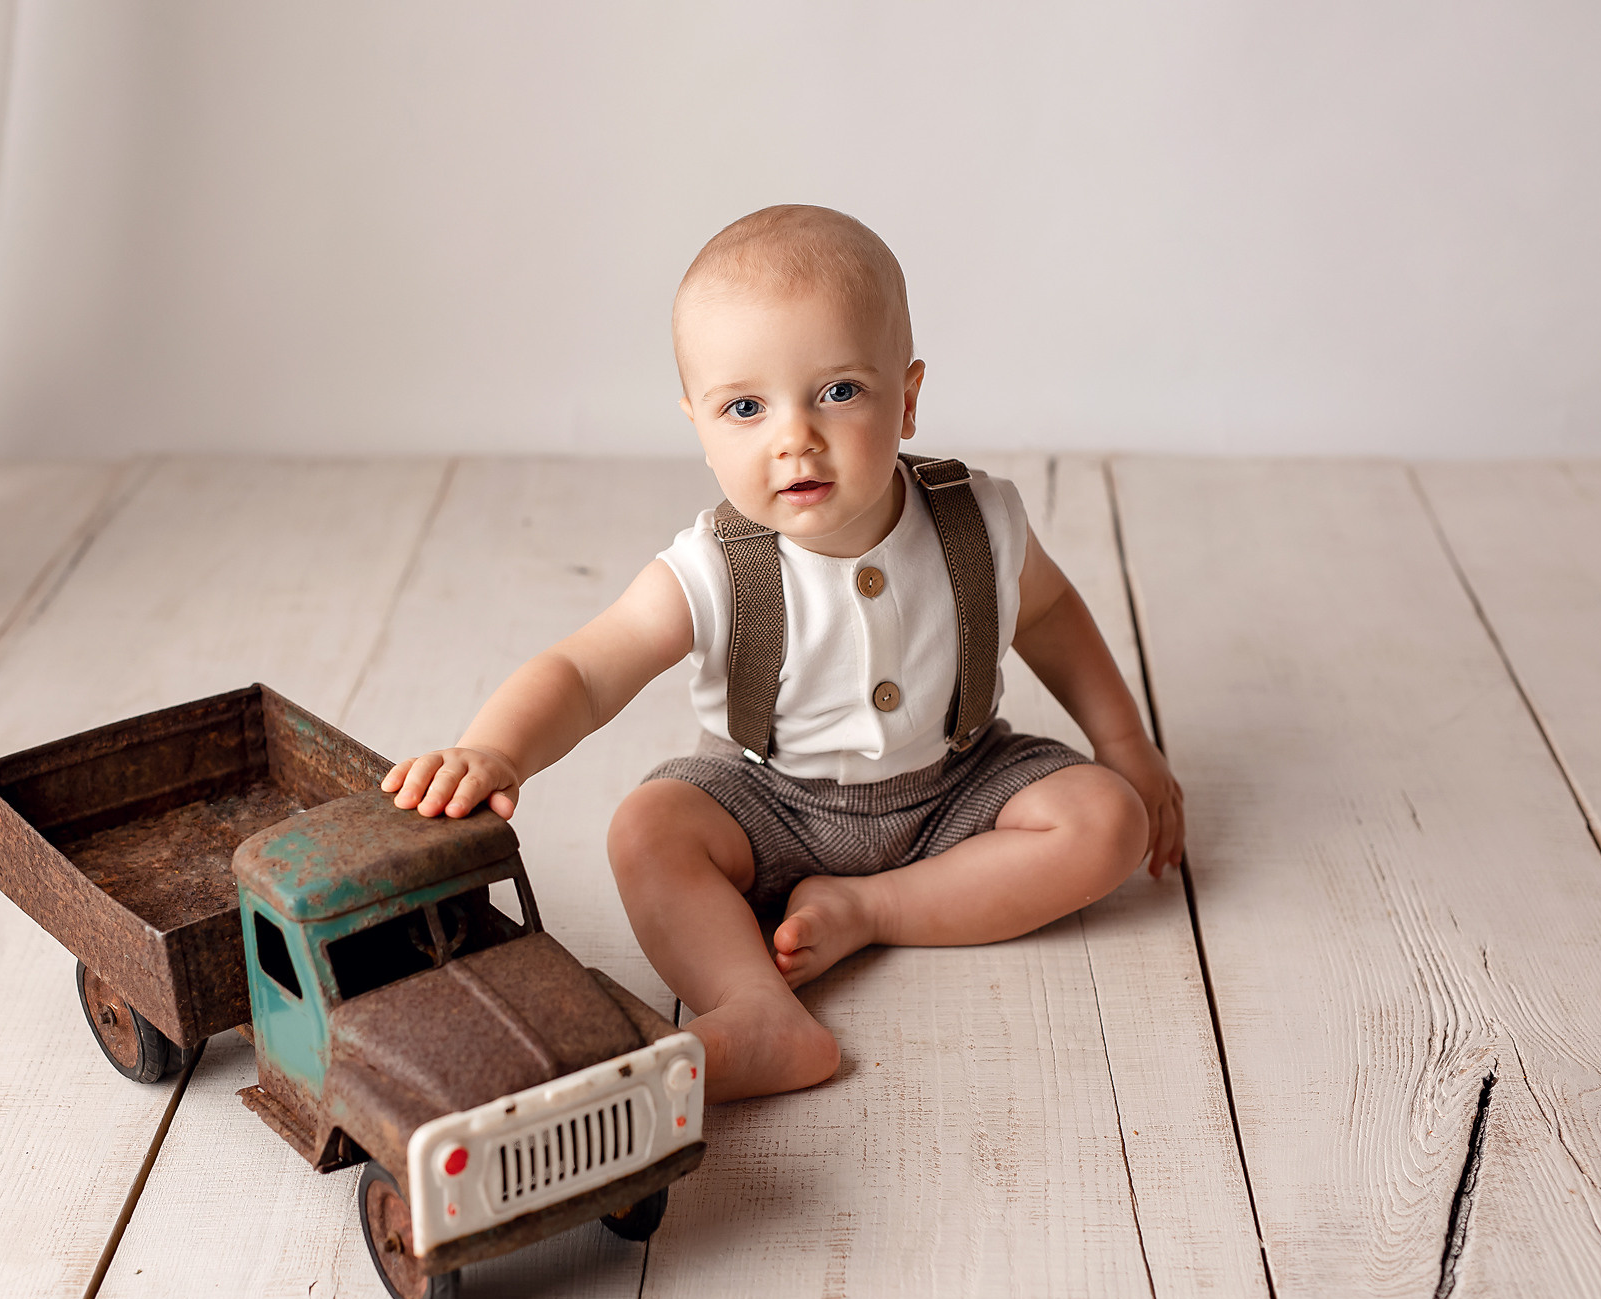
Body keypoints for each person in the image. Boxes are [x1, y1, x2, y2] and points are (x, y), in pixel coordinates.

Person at [381, 205, 1185, 1103]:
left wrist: (1127, 747)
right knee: (649, 831)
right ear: (699, 422)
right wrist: (495, 748)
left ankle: (874, 911)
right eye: (746, 407)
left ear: (908, 394)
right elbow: (584, 669)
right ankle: (755, 1009)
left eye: (839, 392)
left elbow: (1050, 617)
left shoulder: (976, 521)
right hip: (771, 800)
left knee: (1109, 820)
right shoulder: (717, 568)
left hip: (958, 784)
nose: (794, 436)